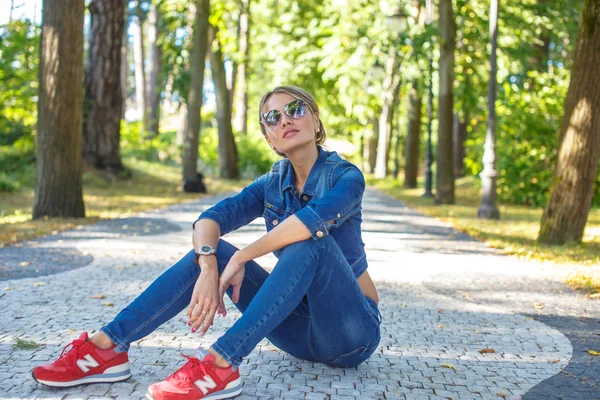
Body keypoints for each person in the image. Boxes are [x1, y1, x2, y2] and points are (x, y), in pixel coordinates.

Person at [32, 86, 382, 400]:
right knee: (209, 251)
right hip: (295, 331)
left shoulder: (347, 177)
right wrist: (208, 262)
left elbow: (308, 224)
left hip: (350, 333)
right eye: (272, 118)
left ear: (315, 119)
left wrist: (243, 256)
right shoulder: (272, 183)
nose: (285, 120)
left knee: (311, 243)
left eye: (296, 109)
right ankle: (105, 349)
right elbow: (210, 219)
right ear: (270, 139)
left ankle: (219, 364)